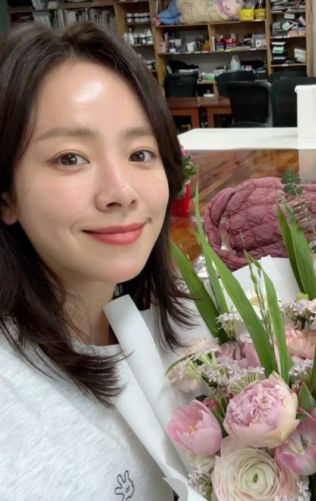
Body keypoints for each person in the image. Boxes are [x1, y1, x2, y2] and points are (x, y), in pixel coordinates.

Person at [0, 22, 189, 499]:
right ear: (5, 195)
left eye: (140, 153)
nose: (120, 192)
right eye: (71, 158)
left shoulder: (182, 320)